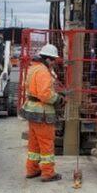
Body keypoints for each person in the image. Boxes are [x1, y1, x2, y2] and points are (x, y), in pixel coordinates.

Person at [20, 43, 63, 182]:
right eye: (54, 60)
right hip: (42, 113)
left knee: (34, 144)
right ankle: (48, 173)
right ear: (49, 59)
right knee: (46, 143)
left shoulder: (33, 69)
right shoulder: (43, 71)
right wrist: (58, 99)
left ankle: (32, 169)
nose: (54, 63)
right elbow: (45, 94)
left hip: (31, 111)